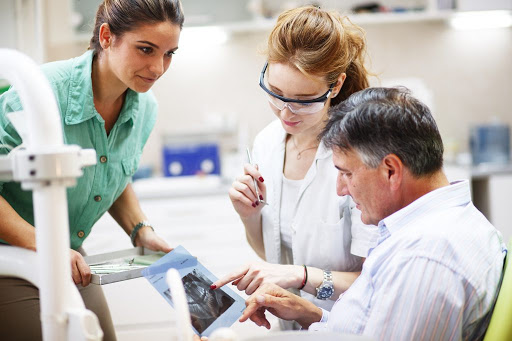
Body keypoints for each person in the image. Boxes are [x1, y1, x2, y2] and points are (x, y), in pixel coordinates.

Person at [239, 87, 507, 340]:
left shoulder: (423, 257)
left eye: (346, 173)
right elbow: (370, 327)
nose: (341, 189)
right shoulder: (439, 221)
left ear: (390, 170)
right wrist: (309, 314)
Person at [0, 0, 184, 339]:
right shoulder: (40, 92)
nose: (158, 67)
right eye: (146, 49)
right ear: (106, 36)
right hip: (8, 255)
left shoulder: (144, 106)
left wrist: (140, 229)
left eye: (169, 53)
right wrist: (43, 244)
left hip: (66, 251)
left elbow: (113, 172)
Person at [212, 6, 376, 329]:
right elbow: (275, 252)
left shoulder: (360, 156)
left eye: (303, 99)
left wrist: (300, 276)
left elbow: (377, 280)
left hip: (346, 328)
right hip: (290, 330)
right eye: (276, 92)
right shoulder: (267, 144)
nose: (286, 112)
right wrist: (250, 216)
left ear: (337, 85)